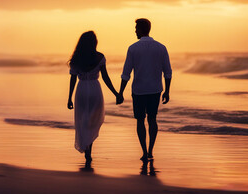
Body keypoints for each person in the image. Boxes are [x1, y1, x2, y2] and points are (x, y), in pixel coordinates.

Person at [117, 18, 172, 161]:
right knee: (152, 119)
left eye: (136, 28)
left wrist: (121, 92)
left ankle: (144, 152)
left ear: (141, 29)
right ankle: (151, 150)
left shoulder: (133, 48)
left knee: (140, 120)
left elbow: (126, 74)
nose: (135, 31)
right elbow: (168, 72)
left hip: (139, 90)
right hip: (155, 89)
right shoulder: (161, 47)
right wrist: (167, 91)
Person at [67, 31, 119, 167]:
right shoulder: (100, 57)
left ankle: (86, 148)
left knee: (83, 119)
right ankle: (89, 147)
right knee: (93, 120)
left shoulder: (76, 59)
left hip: (82, 89)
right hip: (95, 89)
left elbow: (73, 79)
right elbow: (106, 77)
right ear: (94, 42)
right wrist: (116, 93)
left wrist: (69, 98)